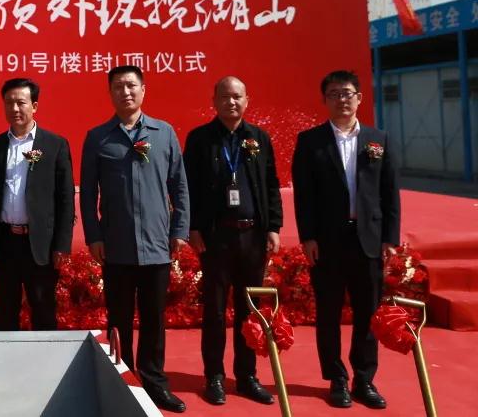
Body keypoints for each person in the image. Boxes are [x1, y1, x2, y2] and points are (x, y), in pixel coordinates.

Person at [80, 66, 189, 413]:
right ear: (110, 93)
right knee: (119, 319)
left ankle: (155, 383)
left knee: (154, 319)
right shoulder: (98, 137)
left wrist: (179, 230)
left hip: (157, 244)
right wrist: (94, 236)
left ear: (143, 90)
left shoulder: (164, 132)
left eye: (131, 86)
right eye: (118, 87)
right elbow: (88, 194)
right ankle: (121, 382)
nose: (125, 92)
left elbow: (179, 186)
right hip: (117, 246)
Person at [292, 70, 400, 410]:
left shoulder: (377, 139)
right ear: (325, 100)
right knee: (328, 313)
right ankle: (336, 378)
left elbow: (389, 192)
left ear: (359, 98)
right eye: (335, 94)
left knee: (369, 313)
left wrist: (390, 238)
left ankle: (364, 379)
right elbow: (304, 196)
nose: (342, 99)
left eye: (348, 93)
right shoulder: (310, 141)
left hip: (368, 240)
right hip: (328, 242)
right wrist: (308, 236)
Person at [183, 77, 282, 406]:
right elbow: (188, 187)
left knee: (249, 309)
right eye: (225, 97)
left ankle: (247, 376)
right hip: (216, 238)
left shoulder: (258, 138)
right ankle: (214, 376)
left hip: (253, 236)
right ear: (214, 101)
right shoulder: (200, 139)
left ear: (247, 100)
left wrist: (273, 227)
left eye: (237, 96)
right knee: (214, 310)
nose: (231, 102)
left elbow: (271, 184)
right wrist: (193, 228)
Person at [0, 78, 74, 331]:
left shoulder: (55, 144)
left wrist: (61, 245)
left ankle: (45, 359)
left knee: (43, 309)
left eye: (21, 102)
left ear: (35, 106)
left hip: (40, 244)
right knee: (6, 311)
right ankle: (6, 358)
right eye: (9, 103)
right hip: (4, 242)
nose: (15, 108)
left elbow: (65, 198)